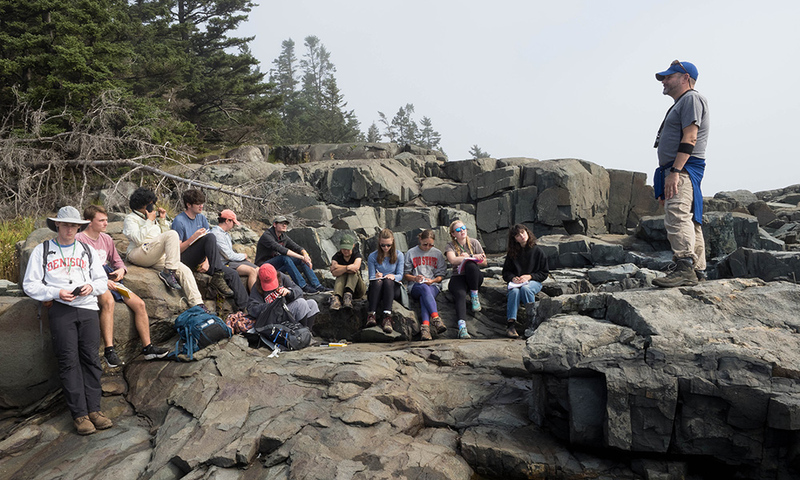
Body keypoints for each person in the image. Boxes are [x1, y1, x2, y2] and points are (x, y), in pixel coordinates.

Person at [23, 206, 113, 435]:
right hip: (61, 310)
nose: (70, 229)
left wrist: (90, 287)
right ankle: (80, 415)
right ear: (57, 225)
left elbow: (101, 280)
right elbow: (30, 284)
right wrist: (56, 292)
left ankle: (95, 409)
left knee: (92, 359)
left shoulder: (86, 250)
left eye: (74, 225)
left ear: (79, 227)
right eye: (66, 224)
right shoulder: (42, 250)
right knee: (68, 361)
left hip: (88, 308)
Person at [77, 205, 168, 367]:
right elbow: (79, 268)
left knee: (139, 303)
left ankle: (148, 348)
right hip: (92, 279)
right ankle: (109, 351)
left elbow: (117, 260)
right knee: (108, 302)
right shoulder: (80, 240)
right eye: (102, 220)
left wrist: (121, 270)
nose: (106, 223)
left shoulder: (106, 239)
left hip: (109, 276)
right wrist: (102, 282)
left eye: (106, 220)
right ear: (89, 222)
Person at [651, 60, 710, 288]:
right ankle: (698, 270)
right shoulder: (684, 102)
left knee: (677, 214)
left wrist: (675, 171)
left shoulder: (691, 98)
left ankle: (684, 267)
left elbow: (690, 138)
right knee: (691, 218)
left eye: (668, 77)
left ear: (685, 78)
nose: (664, 81)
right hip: (682, 168)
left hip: (683, 167)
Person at [122, 187, 205, 310]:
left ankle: (198, 304)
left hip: (154, 254)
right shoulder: (131, 219)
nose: (153, 207)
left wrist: (161, 220)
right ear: (143, 205)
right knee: (173, 234)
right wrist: (149, 221)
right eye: (151, 204)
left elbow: (165, 236)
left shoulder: (151, 218)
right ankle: (168, 272)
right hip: (138, 252)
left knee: (184, 270)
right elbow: (138, 239)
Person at [171, 189, 248, 312]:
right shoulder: (179, 221)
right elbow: (177, 250)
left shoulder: (201, 218)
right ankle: (217, 274)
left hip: (203, 260)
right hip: (185, 259)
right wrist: (193, 238)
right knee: (211, 236)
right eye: (198, 203)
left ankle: (245, 309)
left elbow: (209, 244)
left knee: (233, 274)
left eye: (202, 203)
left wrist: (207, 261)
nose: (201, 206)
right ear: (189, 205)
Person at [254, 215, 329, 294]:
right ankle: (303, 286)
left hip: (276, 265)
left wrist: (305, 255)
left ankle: (317, 285)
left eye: (286, 223)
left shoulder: (283, 236)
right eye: (282, 223)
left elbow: (297, 247)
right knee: (285, 258)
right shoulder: (267, 236)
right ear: (275, 224)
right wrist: (302, 257)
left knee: (299, 259)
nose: (284, 225)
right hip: (264, 267)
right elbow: (282, 250)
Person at [502, 224, 549, 338]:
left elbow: (544, 273)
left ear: (527, 232)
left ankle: (531, 323)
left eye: (523, 233)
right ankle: (511, 326)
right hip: (516, 283)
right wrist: (513, 278)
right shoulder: (512, 253)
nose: (522, 236)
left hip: (533, 282)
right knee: (514, 292)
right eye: (518, 235)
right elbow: (506, 272)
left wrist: (530, 277)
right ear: (514, 239)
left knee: (526, 288)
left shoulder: (537, 251)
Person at [247, 263, 320, 332]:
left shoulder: (282, 277)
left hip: (287, 311)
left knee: (312, 303)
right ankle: (300, 334)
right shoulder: (256, 287)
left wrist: (289, 292)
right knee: (301, 303)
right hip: (274, 317)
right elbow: (251, 308)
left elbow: (299, 291)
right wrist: (270, 306)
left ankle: (307, 334)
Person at [444, 220, 486, 339]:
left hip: (474, 277)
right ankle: (462, 327)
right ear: (453, 234)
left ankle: (474, 295)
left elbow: (484, 261)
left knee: (470, 265)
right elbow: (452, 260)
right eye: (458, 230)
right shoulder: (450, 245)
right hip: (458, 277)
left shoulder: (474, 242)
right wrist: (471, 257)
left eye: (463, 228)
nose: (462, 230)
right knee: (460, 294)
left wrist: (469, 258)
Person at [403, 230, 447, 341]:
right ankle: (436, 319)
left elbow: (441, 275)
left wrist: (432, 281)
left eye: (431, 245)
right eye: (425, 244)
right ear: (420, 240)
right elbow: (405, 275)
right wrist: (415, 278)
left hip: (433, 285)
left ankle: (425, 328)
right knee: (423, 288)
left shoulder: (437, 254)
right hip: (415, 286)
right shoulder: (411, 253)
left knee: (425, 295)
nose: (428, 247)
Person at [365, 228, 404, 333]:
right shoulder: (373, 256)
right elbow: (371, 276)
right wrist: (377, 275)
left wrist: (393, 276)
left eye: (388, 245)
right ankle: (372, 315)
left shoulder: (399, 255)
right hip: (377, 288)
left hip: (392, 288)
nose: (386, 247)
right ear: (379, 243)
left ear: (393, 243)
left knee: (388, 281)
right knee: (378, 282)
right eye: (383, 245)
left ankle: (387, 317)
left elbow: (401, 275)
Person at [209, 209, 258, 291]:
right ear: (227, 221)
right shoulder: (217, 234)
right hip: (225, 263)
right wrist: (243, 256)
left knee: (258, 270)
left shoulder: (225, 234)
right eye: (233, 223)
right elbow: (228, 255)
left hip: (231, 261)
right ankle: (255, 297)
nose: (234, 225)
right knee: (252, 271)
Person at [329, 235, 365, 311]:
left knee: (354, 273)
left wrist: (339, 267)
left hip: (358, 289)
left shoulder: (357, 255)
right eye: (344, 249)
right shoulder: (337, 256)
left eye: (348, 249)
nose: (345, 251)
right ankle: (337, 297)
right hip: (342, 289)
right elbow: (334, 273)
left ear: (353, 246)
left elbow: (355, 268)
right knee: (341, 274)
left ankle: (348, 295)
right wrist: (347, 268)